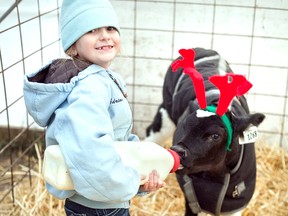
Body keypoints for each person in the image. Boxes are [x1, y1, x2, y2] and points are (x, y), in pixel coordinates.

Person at [23, 0, 165, 215]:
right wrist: (131, 182)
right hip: (97, 206)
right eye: (91, 30)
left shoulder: (105, 78)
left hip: (103, 198)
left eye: (110, 28)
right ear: (73, 43)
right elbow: (91, 156)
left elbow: (119, 140)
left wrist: (140, 175)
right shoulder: (88, 88)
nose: (105, 36)